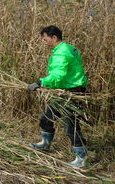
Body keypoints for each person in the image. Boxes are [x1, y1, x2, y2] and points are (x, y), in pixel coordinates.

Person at [28, 25, 89, 168]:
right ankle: (45, 144)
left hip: (72, 92)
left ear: (54, 37)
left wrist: (40, 82)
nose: (44, 42)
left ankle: (81, 156)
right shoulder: (70, 48)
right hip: (64, 91)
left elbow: (58, 75)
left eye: (45, 39)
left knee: (71, 125)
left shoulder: (62, 53)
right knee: (46, 117)